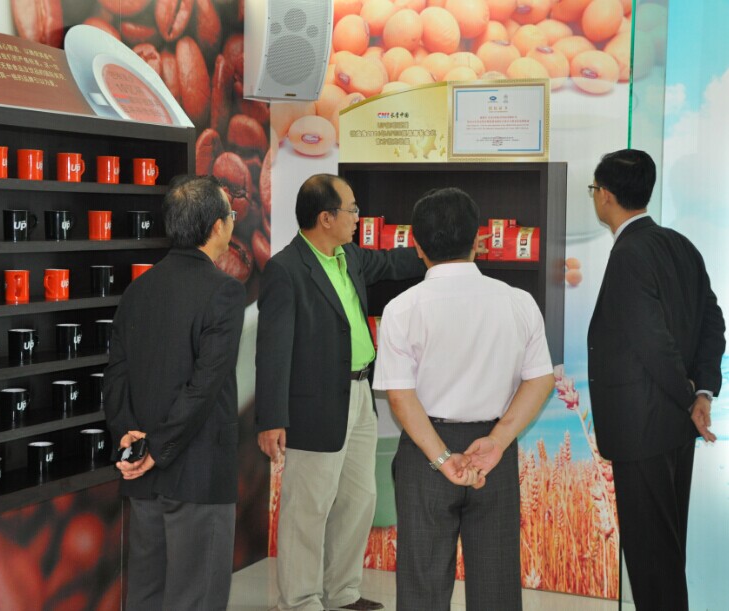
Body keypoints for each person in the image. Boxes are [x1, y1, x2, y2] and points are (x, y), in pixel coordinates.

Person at [372, 187, 555, 611]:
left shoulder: (402, 308)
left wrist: (441, 458)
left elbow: (400, 398)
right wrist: (498, 440)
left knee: (422, 584)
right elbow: (541, 380)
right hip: (494, 450)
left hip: (425, 451)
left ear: (417, 246)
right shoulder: (518, 301)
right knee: (496, 582)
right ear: (477, 240)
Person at [255, 173, 426, 611]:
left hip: (359, 395)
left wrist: (439, 251)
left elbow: (390, 263)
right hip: (313, 406)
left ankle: (342, 593)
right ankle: (300, 600)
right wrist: (271, 418)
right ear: (325, 218)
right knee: (307, 508)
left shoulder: (348, 255)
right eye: (352, 210)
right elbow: (272, 351)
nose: (357, 218)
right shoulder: (285, 269)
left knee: (358, 499)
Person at [587, 149, 725, 611]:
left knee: (651, 559)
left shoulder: (629, 253)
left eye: (594, 189)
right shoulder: (681, 245)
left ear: (605, 195)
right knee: (665, 554)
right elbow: (714, 324)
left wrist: (690, 397)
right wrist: (701, 392)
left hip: (641, 430)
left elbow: (653, 343)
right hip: (673, 430)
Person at [104, 175, 245, 611]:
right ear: (217, 227)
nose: (232, 222)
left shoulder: (138, 290)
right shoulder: (225, 291)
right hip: (197, 473)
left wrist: (131, 438)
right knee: (196, 596)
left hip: (142, 471)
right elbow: (205, 386)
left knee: (146, 594)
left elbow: (116, 375)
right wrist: (159, 449)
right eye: (230, 214)